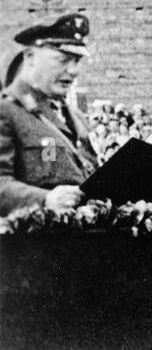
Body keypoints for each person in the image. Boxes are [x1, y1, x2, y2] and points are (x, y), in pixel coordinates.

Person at [0, 13, 97, 215]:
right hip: (32, 242)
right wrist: (45, 199)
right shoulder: (7, 111)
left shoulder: (74, 117)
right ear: (30, 57)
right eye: (63, 59)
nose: (73, 71)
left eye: (77, 61)